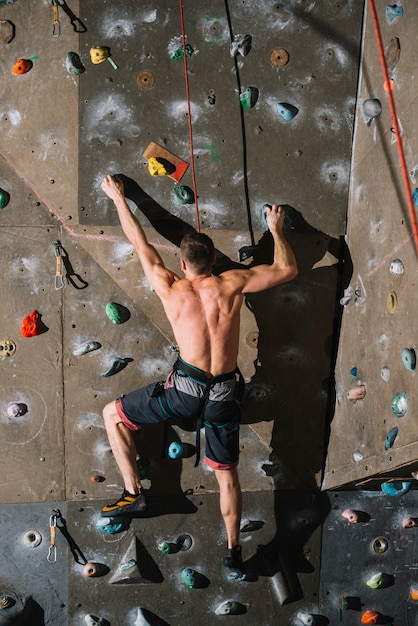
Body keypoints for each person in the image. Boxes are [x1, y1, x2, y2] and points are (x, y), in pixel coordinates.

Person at [99, 174, 298, 575]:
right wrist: (275, 230)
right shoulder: (233, 283)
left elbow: (139, 241)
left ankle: (132, 491)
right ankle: (232, 552)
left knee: (112, 415)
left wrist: (120, 197)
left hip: (183, 392)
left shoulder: (171, 286)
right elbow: (287, 269)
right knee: (227, 476)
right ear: (213, 262)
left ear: (182, 263)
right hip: (224, 394)